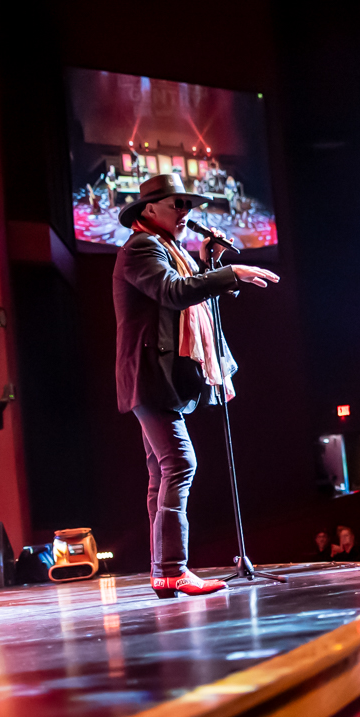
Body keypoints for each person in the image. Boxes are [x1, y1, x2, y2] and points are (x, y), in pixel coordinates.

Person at [113, 174, 278, 598]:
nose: (186, 212)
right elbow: (173, 292)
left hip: (157, 378)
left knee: (161, 472)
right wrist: (228, 273)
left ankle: (164, 572)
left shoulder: (167, 249)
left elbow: (188, 293)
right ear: (149, 209)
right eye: (177, 204)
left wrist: (209, 265)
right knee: (180, 464)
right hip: (149, 375)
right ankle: (172, 568)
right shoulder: (142, 247)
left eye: (188, 205)